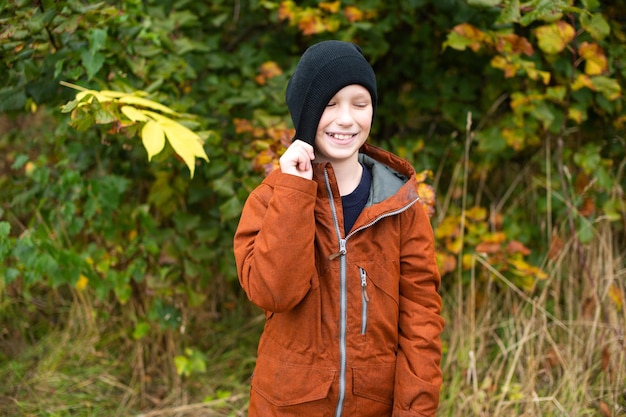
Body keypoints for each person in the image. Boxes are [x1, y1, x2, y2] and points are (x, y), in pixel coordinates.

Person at [233, 40, 444, 417]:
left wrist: (415, 411)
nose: (346, 119)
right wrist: (295, 190)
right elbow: (274, 293)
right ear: (307, 111)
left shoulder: (400, 205)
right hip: (287, 406)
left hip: (374, 405)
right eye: (330, 104)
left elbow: (422, 323)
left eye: (359, 104)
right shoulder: (270, 199)